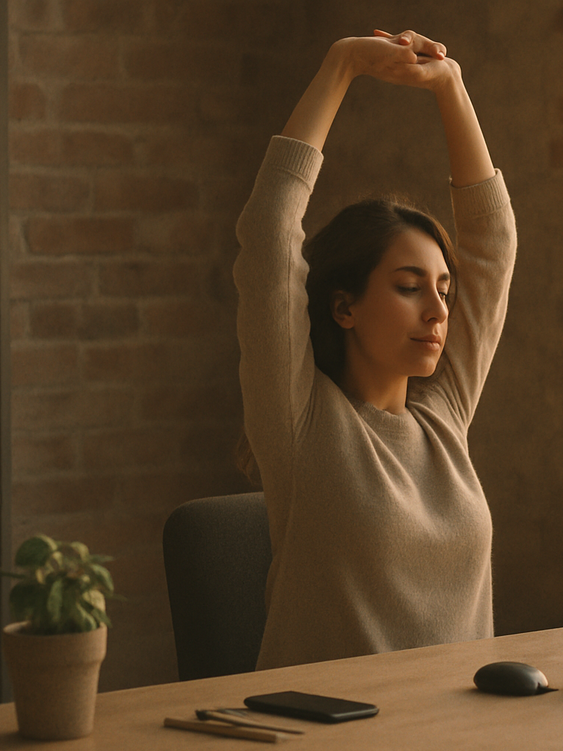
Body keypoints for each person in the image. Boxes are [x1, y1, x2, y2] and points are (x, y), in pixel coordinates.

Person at [233, 29, 516, 669]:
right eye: (410, 287)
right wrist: (341, 66)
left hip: (461, 732)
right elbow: (270, 237)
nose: (440, 310)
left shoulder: (444, 415)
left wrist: (452, 86)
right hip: (334, 732)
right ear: (344, 307)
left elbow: (491, 245)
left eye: (444, 289)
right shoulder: (302, 424)